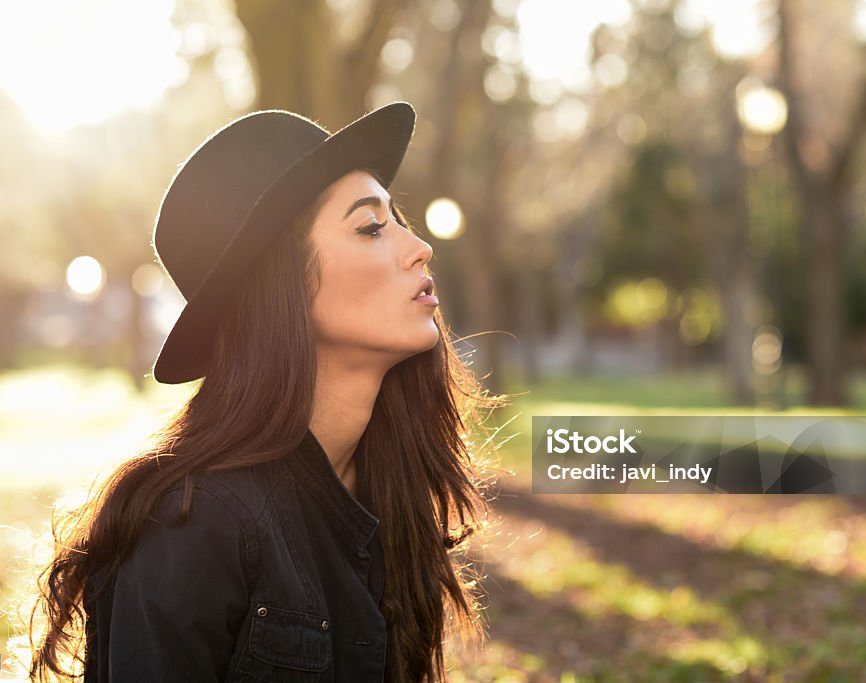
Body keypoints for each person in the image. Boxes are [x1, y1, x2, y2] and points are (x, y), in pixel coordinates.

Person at [27, 101, 507, 682]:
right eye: (372, 227)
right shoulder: (189, 525)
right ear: (284, 285)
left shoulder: (391, 493)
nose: (418, 247)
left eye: (396, 219)